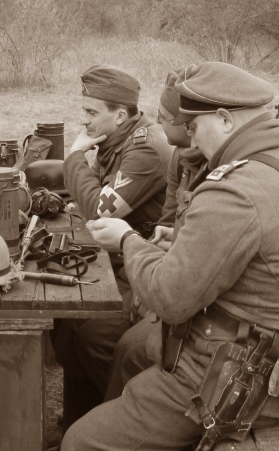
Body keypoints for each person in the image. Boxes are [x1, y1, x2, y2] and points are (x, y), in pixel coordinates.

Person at [64, 62, 279, 450]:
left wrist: (128, 240)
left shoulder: (235, 188)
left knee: (80, 442)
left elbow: (170, 299)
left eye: (194, 126)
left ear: (224, 119)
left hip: (235, 377)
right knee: (133, 356)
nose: (191, 139)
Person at [53, 64, 172, 430]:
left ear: (120, 115)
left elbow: (99, 209)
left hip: (144, 263)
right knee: (67, 323)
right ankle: (78, 422)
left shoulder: (145, 149)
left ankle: (128, 420)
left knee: (94, 336)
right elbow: (95, 196)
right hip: (120, 258)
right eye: (84, 111)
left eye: (91, 112)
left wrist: (74, 156)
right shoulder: (116, 140)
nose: (84, 120)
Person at [104, 69, 209, 401]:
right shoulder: (180, 159)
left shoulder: (217, 169)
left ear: (186, 123)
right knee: (91, 331)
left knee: (128, 349)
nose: (158, 124)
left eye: (164, 117)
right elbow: (170, 222)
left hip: (194, 296)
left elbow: (204, 256)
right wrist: (167, 240)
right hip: (166, 272)